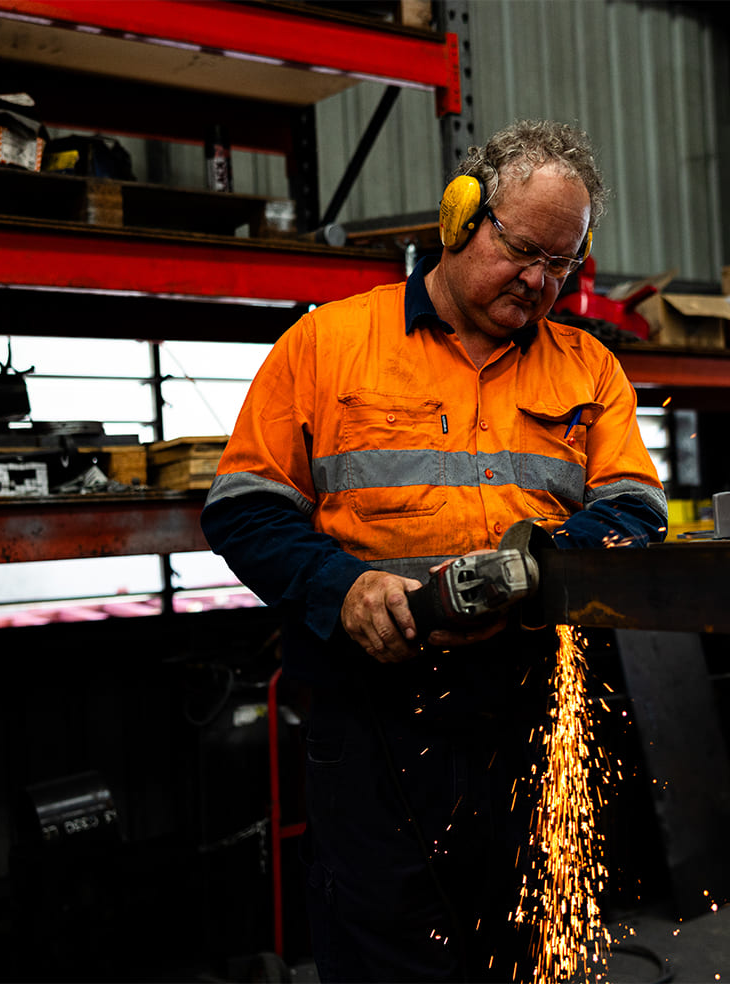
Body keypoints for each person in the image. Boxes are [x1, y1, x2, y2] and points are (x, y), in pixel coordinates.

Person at [201, 118, 667, 982]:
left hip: (531, 714)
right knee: (385, 947)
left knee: (531, 947)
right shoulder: (327, 343)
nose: (537, 282)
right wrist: (339, 589)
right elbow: (245, 507)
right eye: (522, 250)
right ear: (460, 218)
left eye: (559, 265)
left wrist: (541, 566)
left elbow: (636, 508)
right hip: (375, 720)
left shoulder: (589, 368)